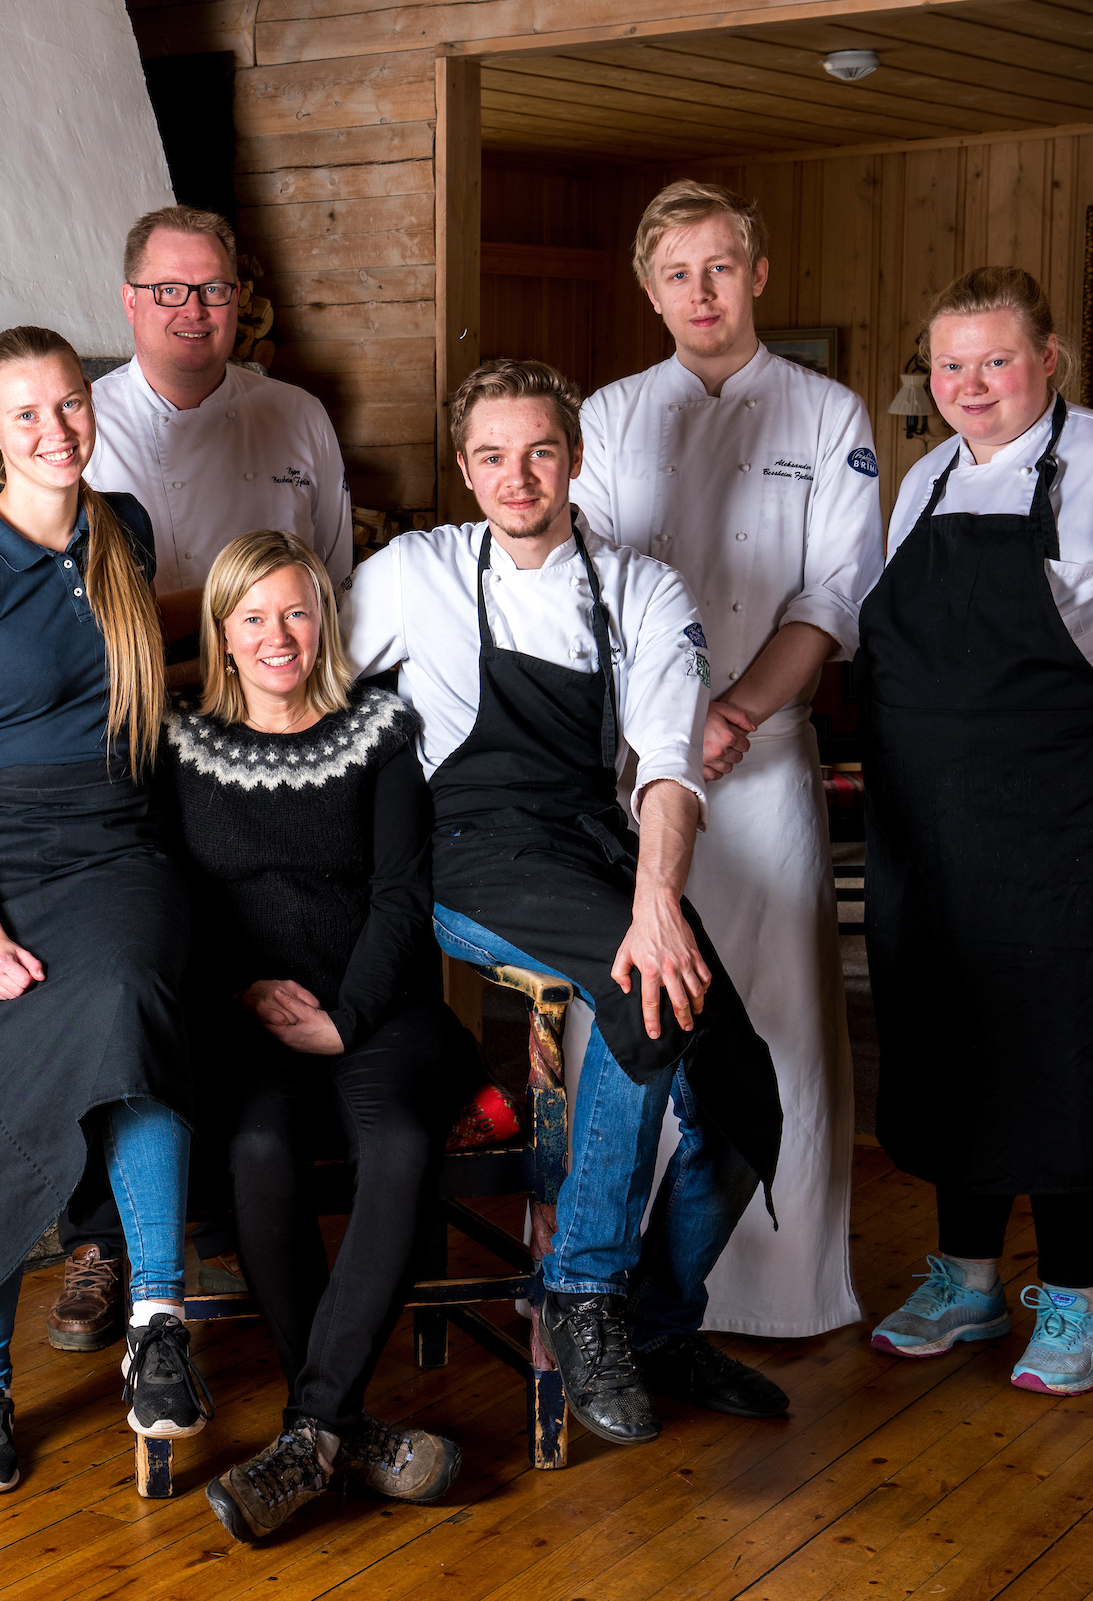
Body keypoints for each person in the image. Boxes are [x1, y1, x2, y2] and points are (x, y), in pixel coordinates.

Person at [347, 358, 790, 1449]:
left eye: (540, 450)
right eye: (492, 455)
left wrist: (655, 905)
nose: (517, 475)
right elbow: (302, 692)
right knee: (645, 1000)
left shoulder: (644, 590)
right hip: (464, 854)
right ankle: (582, 1289)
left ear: (576, 458)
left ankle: (659, 1322)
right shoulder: (415, 573)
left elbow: (671, 769)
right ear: (464, 467)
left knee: (746, 1105)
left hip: (599, 852)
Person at [859, 267, 1093, 1396]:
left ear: (1050, 357)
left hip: (1080, 826)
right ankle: (967, 1282)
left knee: (1074, 1047)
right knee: (951, 1037)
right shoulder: (925, 477)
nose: (970, 386)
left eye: (995, 360)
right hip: (938, 827)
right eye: (949, 365)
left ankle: (1074, 1300)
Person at [0, 325, 214, 1495]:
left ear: (93, 407)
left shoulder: (121, 531)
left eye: (70, 406)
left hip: (117, 846)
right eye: (24, 414)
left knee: (131, 1002)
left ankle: (157, 1324)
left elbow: (145, 682)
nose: (54, 431)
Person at [571, 179, 879, 1341]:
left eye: (720, 267)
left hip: (763, 761)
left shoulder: (827, 412)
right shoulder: (602, 417)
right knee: (634, 1014)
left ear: (756, 274)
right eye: (676, 273)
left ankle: (778, 1291)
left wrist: (738, 711)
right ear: (648, 290)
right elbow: (581, 588)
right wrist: (658, 728)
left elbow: (830, 593)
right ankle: (612, 1285)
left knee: (782, 1016)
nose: (701, 291)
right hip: (633, 765)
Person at [48, 203, 355, 1355]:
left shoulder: (293, 417)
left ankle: (221, 1202)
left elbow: (333, 580)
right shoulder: (89, 427)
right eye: (170, 292)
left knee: (229, 962)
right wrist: (202, 631)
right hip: (125, 751)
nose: (193, 311)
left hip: (262, 742)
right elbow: (82, 625)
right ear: (129, 303)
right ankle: (97, 1239)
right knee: (118, 975)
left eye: (214, 290)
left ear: (242, 300)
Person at [161, 529, 473, 1541]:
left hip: (377, 1009)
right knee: (256, 1148)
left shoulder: (379, 729)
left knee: (403, 1143)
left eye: (296, 610)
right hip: (247, 1015)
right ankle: (340, 1424)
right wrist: (242, 993)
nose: (278, 635)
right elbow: (175, 901)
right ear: (223, 632)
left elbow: (399, 893)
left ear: (323, 619)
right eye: (253, 616)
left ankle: (312, 1433)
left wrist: (348, 1018)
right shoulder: (179, 740)